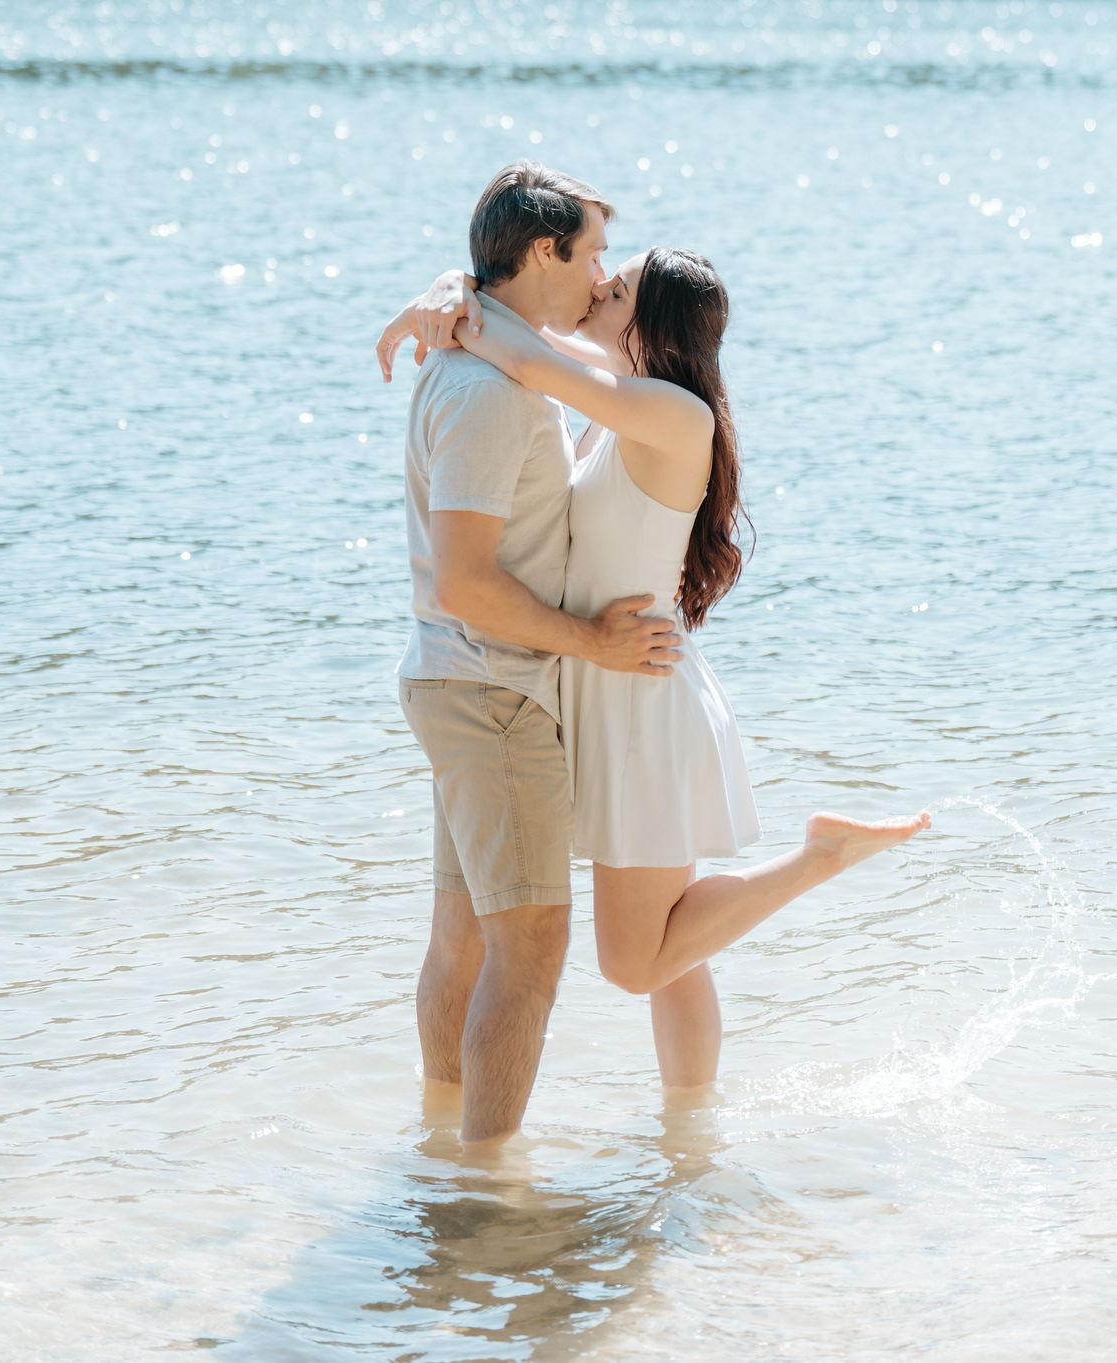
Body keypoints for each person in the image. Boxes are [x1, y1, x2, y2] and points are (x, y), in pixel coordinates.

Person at [379, 221, 933, 1099]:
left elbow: (526, 357)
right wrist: (452, 287)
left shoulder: (673, 414)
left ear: (656, 326)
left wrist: (449, 301)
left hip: (637, 702)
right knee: (677, 949)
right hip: (615, 682)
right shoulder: (619, 397)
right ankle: (689, 1130)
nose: (599, 284)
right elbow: (525, 331)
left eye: (621, 286)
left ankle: (819, 857)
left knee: (635, 962)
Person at [385, 161, 684, 1154]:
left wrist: (448, 293)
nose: (601, 274)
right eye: (592, 251)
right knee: (529, 949)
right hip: (492, 692)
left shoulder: (489, 366)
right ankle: (484, 1181)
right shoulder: (492, 397)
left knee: (466, 937)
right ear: (545, 250)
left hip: (465, 682)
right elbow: (471, 580)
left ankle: (445, 1148)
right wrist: (593, 643)